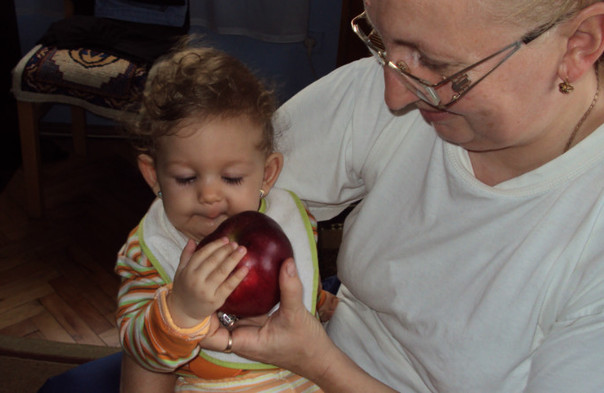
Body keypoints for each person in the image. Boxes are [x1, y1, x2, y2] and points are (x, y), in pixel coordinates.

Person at [222, 0, 604, 392]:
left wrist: (319, 363)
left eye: (438, 67)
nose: (394, 97)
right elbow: (213, 199)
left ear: (579, 43)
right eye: (381, 43)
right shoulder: (399, 80)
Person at [114, 45, 337, 392]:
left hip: (302, 376)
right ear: (153, 176)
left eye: (231, 178)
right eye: (186, 178)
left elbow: (296, 280)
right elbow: (138, 348)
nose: (209, 196)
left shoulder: (292, 220)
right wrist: (180, 311)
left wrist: (320, 302)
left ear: (267, 174)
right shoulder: (147, 252)